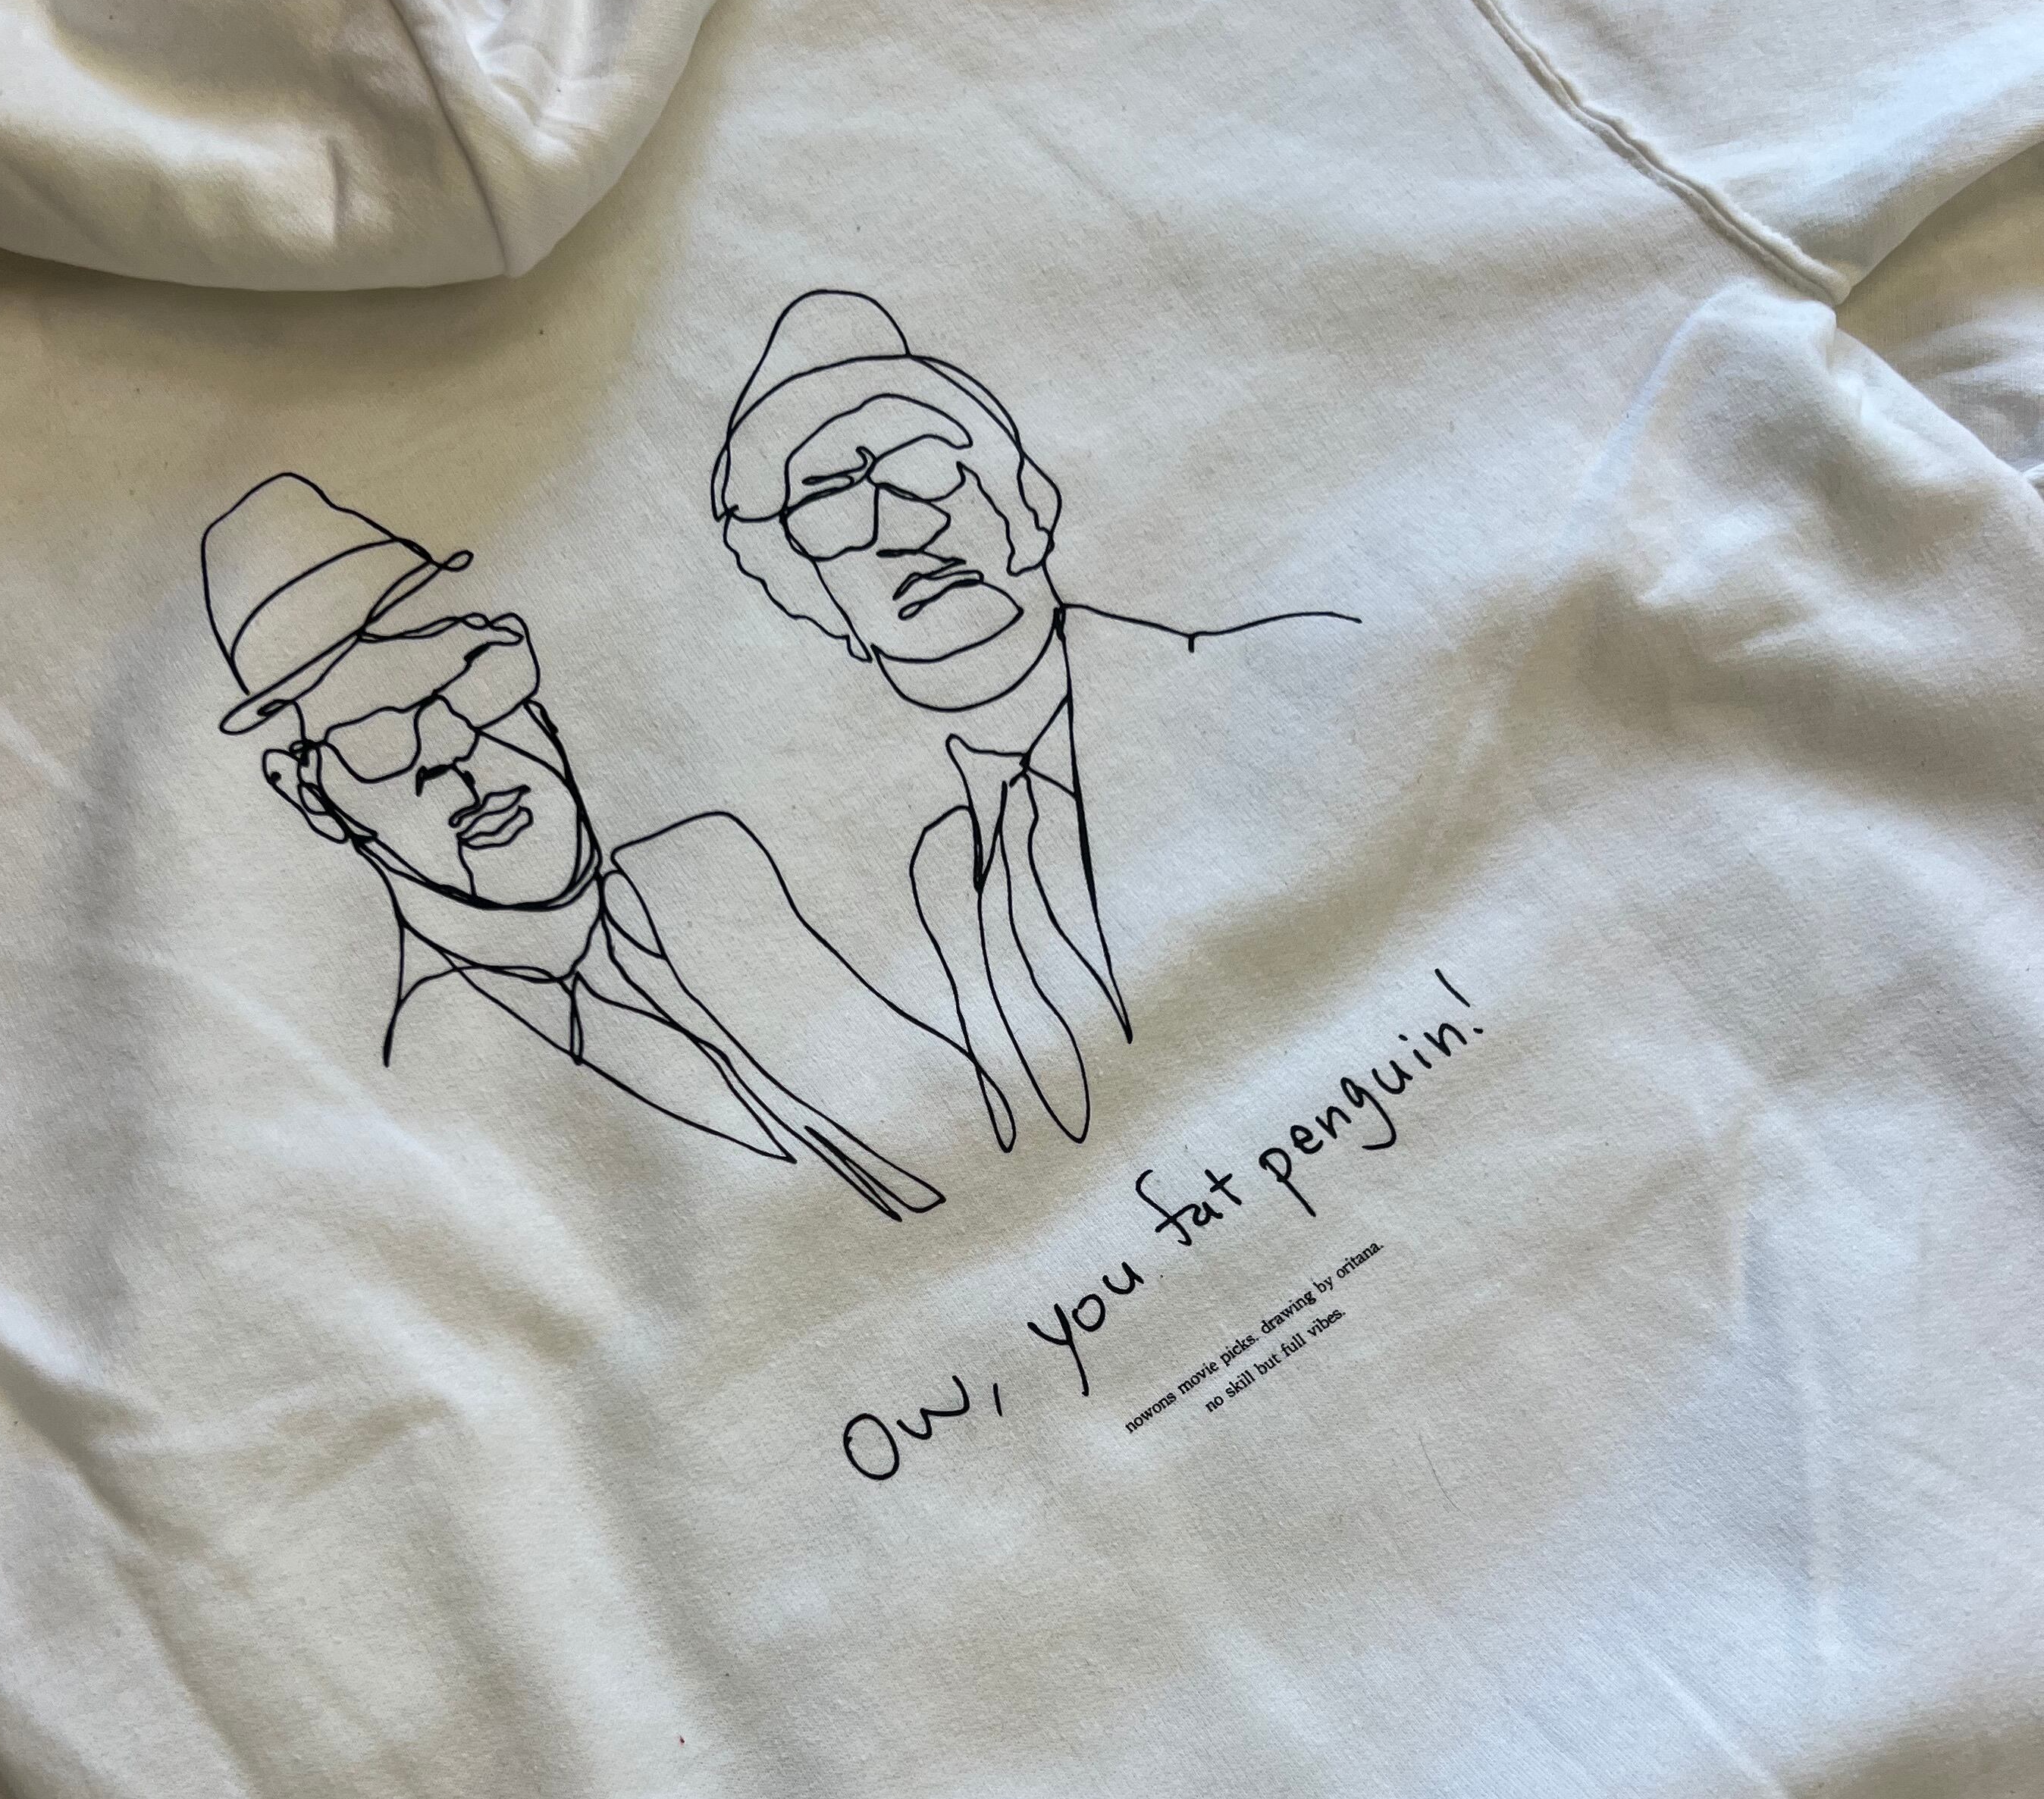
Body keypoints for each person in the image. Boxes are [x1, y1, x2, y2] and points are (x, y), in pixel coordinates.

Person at [202, 471, 955, 1220]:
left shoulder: (726, 863)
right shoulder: (418, 1084)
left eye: (475, 680)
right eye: (376, 736)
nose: (455, 750)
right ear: (310, 794)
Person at [711, 290, 1351, 1150]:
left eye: (924, 466)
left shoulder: (1281, 671)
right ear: (817, 600)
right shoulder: (947, 874)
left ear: (1024, 497)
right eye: (830, 507)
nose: (902, 530)